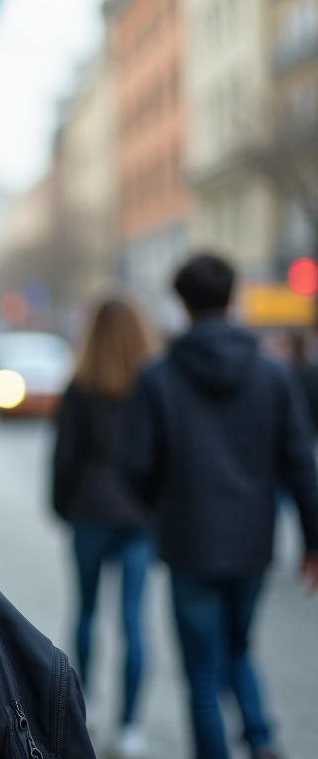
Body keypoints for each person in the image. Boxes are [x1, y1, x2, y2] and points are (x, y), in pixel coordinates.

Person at [122, 254, 318, 759]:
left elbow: (137, 466)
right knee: (239, 647)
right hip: (253, 540)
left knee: (202, 668)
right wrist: (314, 540)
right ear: (232, 300)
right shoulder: (272, 374)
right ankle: (262, 739)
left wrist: (159, 508)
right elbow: (300, 462)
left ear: (183, 305)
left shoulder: (158, 375)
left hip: (189, 540)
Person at [52, 297, 155, 758]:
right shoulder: (152, 386)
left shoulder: (81, 385)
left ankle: (87, 701)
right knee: (134, 621)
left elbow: (65, 457)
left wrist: (61, 506)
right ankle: (131, 726)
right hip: (138, 515)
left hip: (90, 511)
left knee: (87, 612)